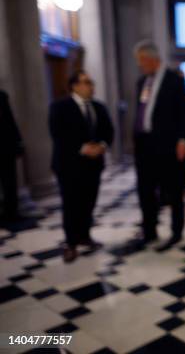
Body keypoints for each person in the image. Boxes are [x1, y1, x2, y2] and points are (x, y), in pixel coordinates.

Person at [49, 71, 114, 263]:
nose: (91, 86)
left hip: (93, 165)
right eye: (86, 83)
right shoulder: (60, 106)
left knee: (89, 201)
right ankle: (70, 243)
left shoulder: (98, 107)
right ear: (74, 86)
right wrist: (83, 148)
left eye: (91, 82)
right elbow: (58, 133)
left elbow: (108, 131)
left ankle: (85, 235)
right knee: (71, 204)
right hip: (69, 165)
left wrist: (101, 146)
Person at [133, 40, 185, 251]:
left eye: (141, 60)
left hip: (167, 145)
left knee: (173, 189)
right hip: (144, 144)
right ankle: (149, 231)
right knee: (145, 189)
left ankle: (176, 231)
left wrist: (183, 140)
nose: (140, 65)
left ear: (152, 59)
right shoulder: (141, 82)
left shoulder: (174, 80)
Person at [0, 89, 24, 224]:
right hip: (5, 145)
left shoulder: (2, 95)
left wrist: (18, 141)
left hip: (6, 146)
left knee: (10, 182)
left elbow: (10, 120)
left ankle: (11, 213)